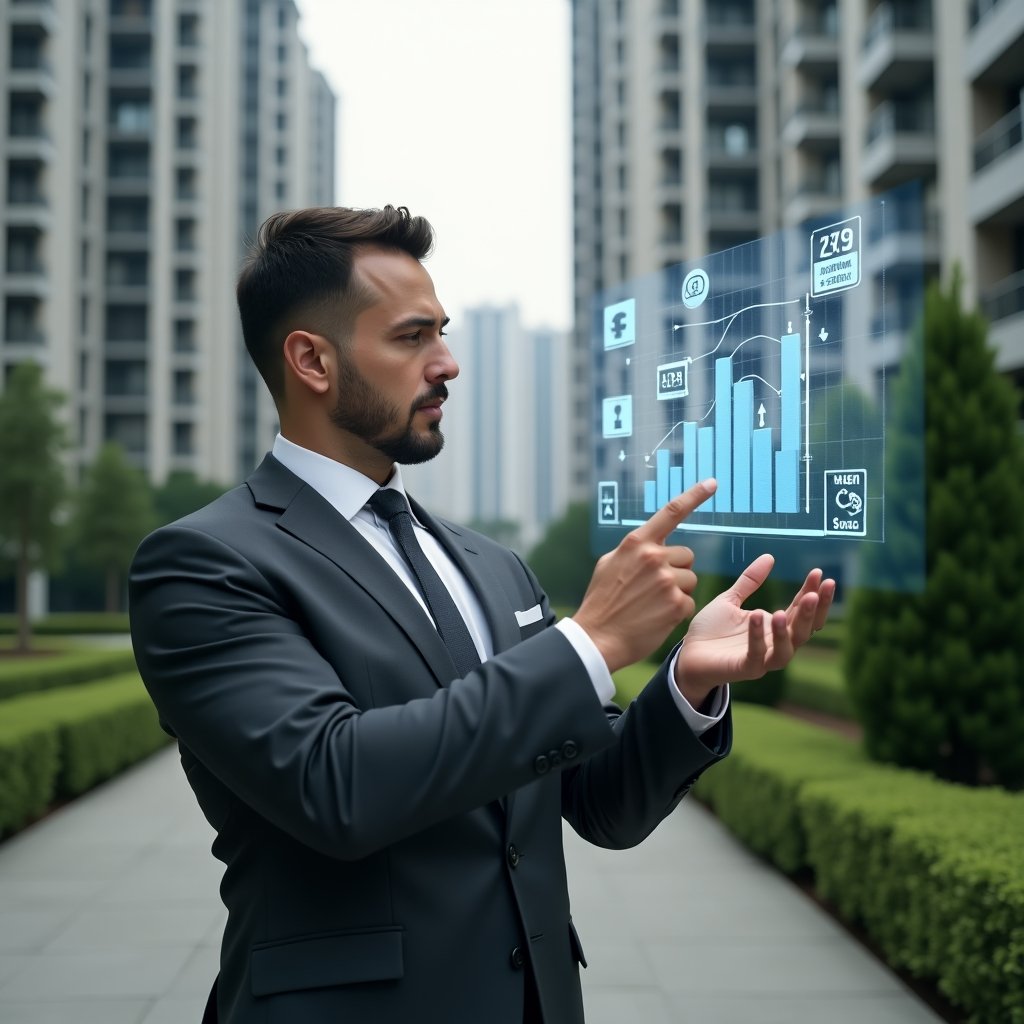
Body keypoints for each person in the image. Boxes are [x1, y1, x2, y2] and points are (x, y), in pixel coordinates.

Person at [129, 205, 834, 1024]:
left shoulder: (490, 565)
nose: (449, 364)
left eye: (445, 333)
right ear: (311, 360)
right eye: (411, 337)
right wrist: (591, 642)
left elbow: (595, 802)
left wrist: (686, 681)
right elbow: (336, 785)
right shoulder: (205, 563)